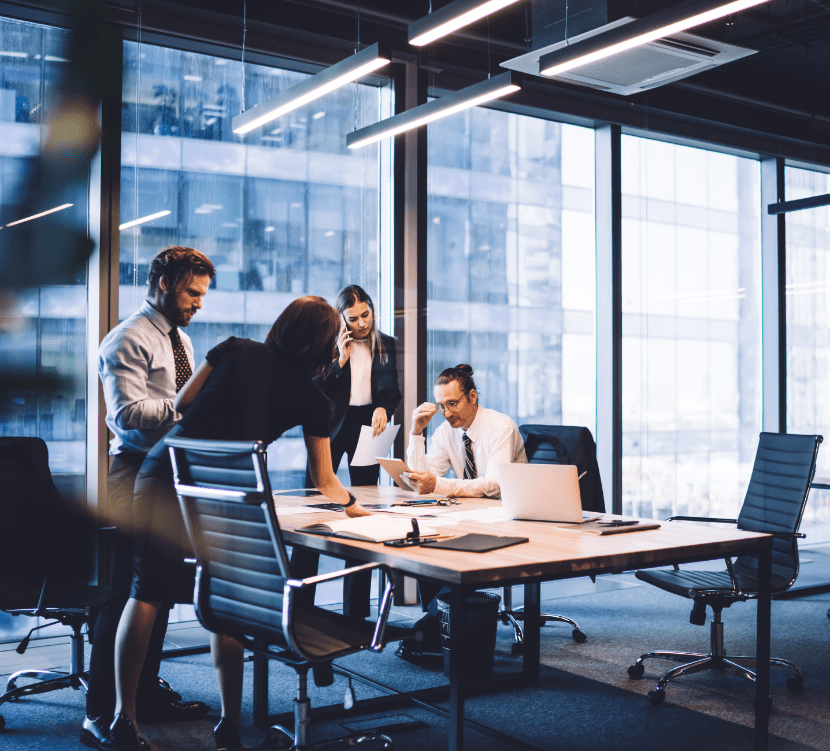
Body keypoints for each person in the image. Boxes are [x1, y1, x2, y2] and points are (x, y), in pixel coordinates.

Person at [107, 296, 373, 751]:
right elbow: (324, 479)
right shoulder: (314, 397)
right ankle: (229, 725)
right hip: (232, 487)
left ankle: (121, 719)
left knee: (145, 590)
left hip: (166, 468)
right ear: (326, 342)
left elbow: (184, 403)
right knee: (226, 598)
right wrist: (354, 505)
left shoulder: (235, 348)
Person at [83, 247, 214, 751]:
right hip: (134, 474)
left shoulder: (180, 337)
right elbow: (127, 415)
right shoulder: (126, 339)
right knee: (125, 595)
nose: (198, 304)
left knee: (155, 589)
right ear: (164, 283)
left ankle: (141, 693)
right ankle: (100, 713)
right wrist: (188, 406)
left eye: (202, 294)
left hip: (171, 474)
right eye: (191, 292)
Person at [397, 364, 527, 661]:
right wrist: (416, 434)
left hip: (508, 516)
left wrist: (439, 485)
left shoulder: (500, 427)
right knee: (425, 542)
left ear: (472, 397)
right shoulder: (447, 432)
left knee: (448, 550)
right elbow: (423, 478)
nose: (446, 412)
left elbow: (494, 486)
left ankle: (431, 626)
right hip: (472, 513)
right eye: (441, 406)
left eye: (452, 404)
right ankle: (439, 625)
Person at [295, 284, 401, 619]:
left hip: (368, 427)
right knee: (311, 508)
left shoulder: (387, 344)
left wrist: (385, 407)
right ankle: (299, 604)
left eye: (365, 314)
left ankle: (356, 612)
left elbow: (393, 392)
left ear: (372, 308)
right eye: (353, 318)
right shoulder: (328, 342)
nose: (361, 323)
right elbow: (312, 389)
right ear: (342, 318)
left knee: (364, 510)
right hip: (329, 426)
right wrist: (338, 361)